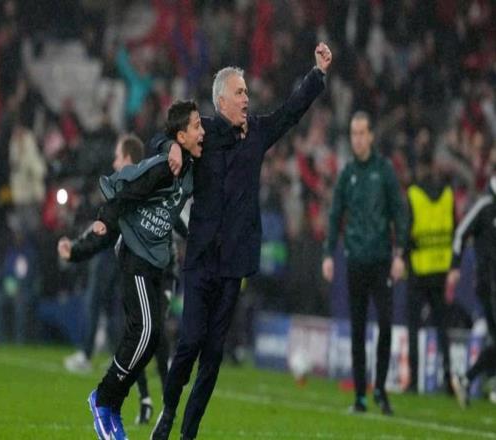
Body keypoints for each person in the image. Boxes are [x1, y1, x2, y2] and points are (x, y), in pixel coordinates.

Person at [151, 42, 332, 440]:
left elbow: (291, 111)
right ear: (221, 102)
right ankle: (168, 411)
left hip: (234, 264)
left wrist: (317, 74)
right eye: (239, 92)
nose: (247, 98)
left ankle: (187, 433)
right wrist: (172, 148)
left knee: (213, 355)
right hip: (201, 258)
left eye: (247, 91)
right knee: (189, 344)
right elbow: (161, 138)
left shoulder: (258, 133)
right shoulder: (203, 132)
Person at [58, 100, 203, 440]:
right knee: (146, 330)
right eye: (197, 126)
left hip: (156, 263)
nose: (203, 132)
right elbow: (128, 193)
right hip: (135, 256)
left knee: (150, 338)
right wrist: (104, 221)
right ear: (181, 136)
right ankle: (103, 398)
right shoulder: (163, 168)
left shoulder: (190, 166)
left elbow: (173, 215)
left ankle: (113, 404)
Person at [62, 134, 173, 425]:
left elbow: (173, 229)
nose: (114, 163)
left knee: (147, 336)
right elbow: (103, 232)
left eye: (118, 157)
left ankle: (142, 400)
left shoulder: (147, 190)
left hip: (152, 275)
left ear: (129, 160)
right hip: (134, 272)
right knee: (141, 335)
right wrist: (75, 250)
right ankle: (128, 400)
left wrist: (170, 281)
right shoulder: (127, 194)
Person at [322, 111, 407, 415]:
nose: (357, 139)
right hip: (355, 260)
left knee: (385, 324)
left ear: (371, 136)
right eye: (353, 133)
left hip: (382, 260)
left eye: (361, 133)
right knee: (357, 328)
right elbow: (335, 215)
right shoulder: (347, 173)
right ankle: (360, 396)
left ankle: (380, 389)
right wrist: (328, 253)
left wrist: (400, 254)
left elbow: (400, 212)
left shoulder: (384, 170)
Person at [405, 152, 454, 394]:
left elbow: (406, 232)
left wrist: (403, 257)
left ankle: (414, 380)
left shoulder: (414, 195)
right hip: (441, 269)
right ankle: (448, 378)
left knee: (414, 326)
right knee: (442, 326)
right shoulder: (447, 195)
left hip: (419, 269)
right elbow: (453, 229)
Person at [448, 172, 496, 408]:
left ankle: (468, 379)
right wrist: (455, 266)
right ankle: (477, 380)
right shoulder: (485, 206)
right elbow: (460, 233)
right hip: (489, 284)